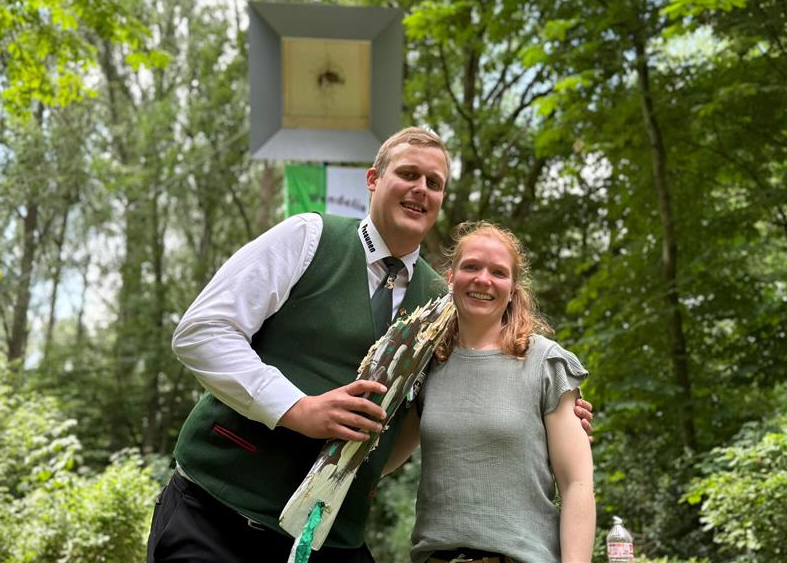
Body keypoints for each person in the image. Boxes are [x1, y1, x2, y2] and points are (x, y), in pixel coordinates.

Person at [146, 128, 594, 563]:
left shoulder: (444, 304)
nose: (420, 189)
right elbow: (202, 332)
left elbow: (473, 379)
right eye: (408, 174)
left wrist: (552, 407)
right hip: (218, 517)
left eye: (434, 183)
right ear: (373, 179)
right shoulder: (308, 237)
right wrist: (296, 408)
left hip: (331, 538)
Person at [398, 222, 596, 563]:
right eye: (471, 267)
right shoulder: (426, 364)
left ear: (513, 288)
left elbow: (577, 484)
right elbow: (386, 459)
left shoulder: (545, 362)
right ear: (451, 278)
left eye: (498, 272)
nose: (483, 280)